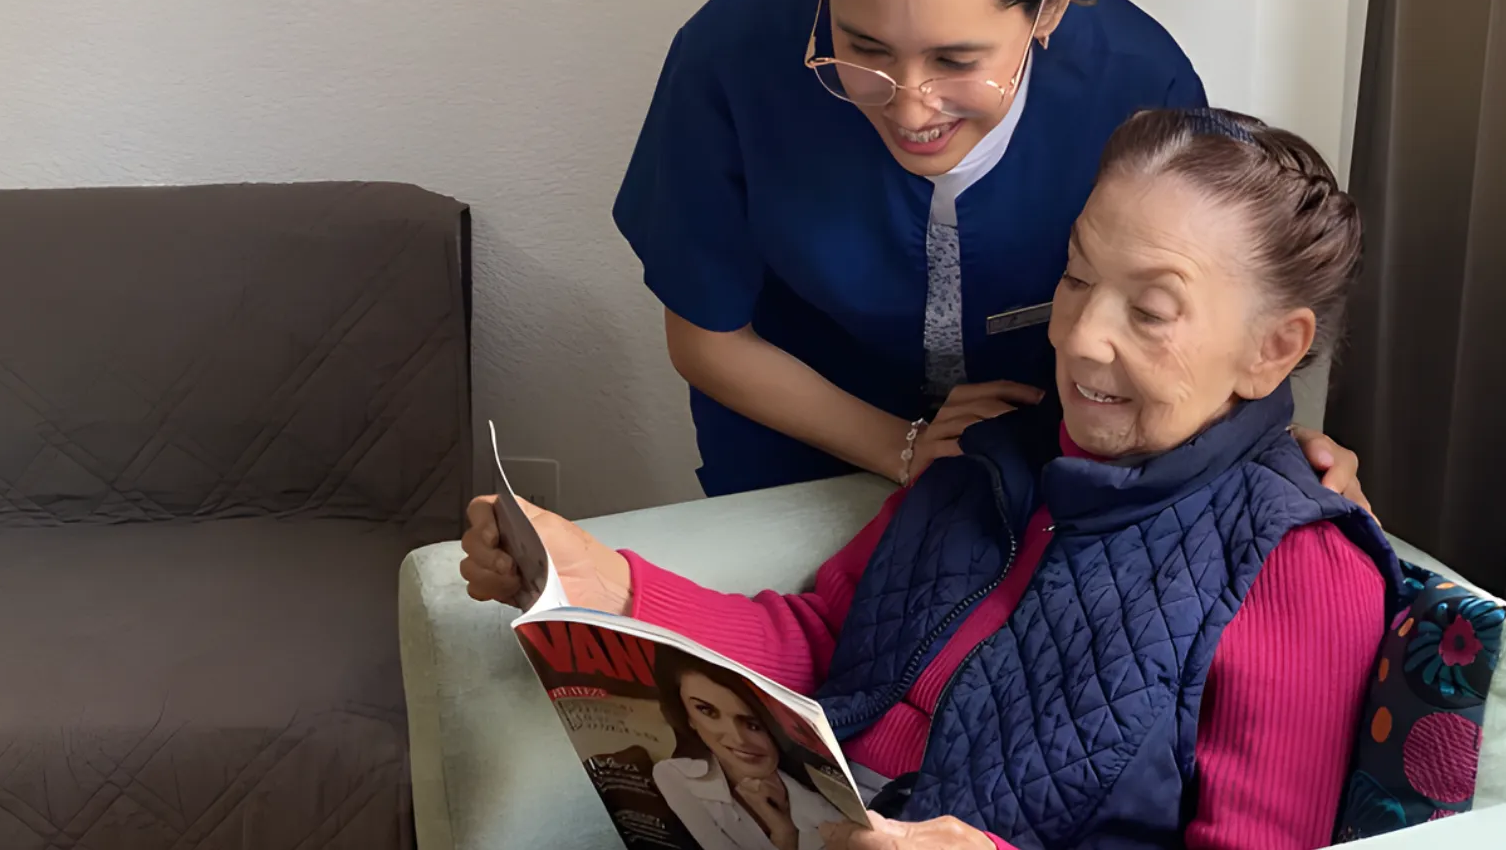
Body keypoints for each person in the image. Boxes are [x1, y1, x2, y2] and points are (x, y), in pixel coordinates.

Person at [472, 109, 1396, 848]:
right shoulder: (993, 448)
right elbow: (826, 639)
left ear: (1274, 350)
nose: (1079, 338)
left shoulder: (1298, 568)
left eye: (1150, 310)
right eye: (1076, 280)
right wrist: (612, 585)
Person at [613, 0, 1366, 503]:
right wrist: (899, 446)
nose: (910, 109)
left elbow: (1201, 322)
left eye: (955, 61)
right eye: (863, 48)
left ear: (1052, 3)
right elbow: (707, 335)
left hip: (1047, 454)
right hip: (795, 452)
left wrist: (1265, 448)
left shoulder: (1140, 86)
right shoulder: (730, 54)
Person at [652, 649, 849, 850]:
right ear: (688, 717)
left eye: (753, 724)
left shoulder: (831, 815)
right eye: (707, 711)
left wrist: (785, 831)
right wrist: (784, 836)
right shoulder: (674, 775)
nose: (738, 739)